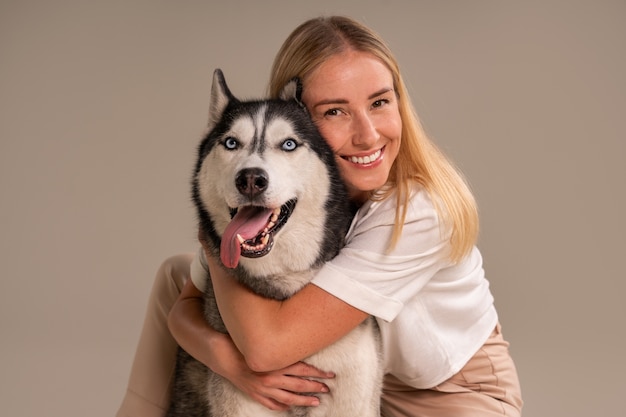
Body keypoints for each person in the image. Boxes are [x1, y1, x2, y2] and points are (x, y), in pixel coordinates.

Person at [116, 15, 523, 417]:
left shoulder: (417, 213)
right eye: (335, 112)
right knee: (176, 273)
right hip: (361, 382)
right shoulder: (298, 196)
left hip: (457, 397)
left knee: (228, 286)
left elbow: (267, 347)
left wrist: (220, 233)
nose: (367, 134)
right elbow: (183, 308)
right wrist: (226, 359)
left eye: (380, 102)